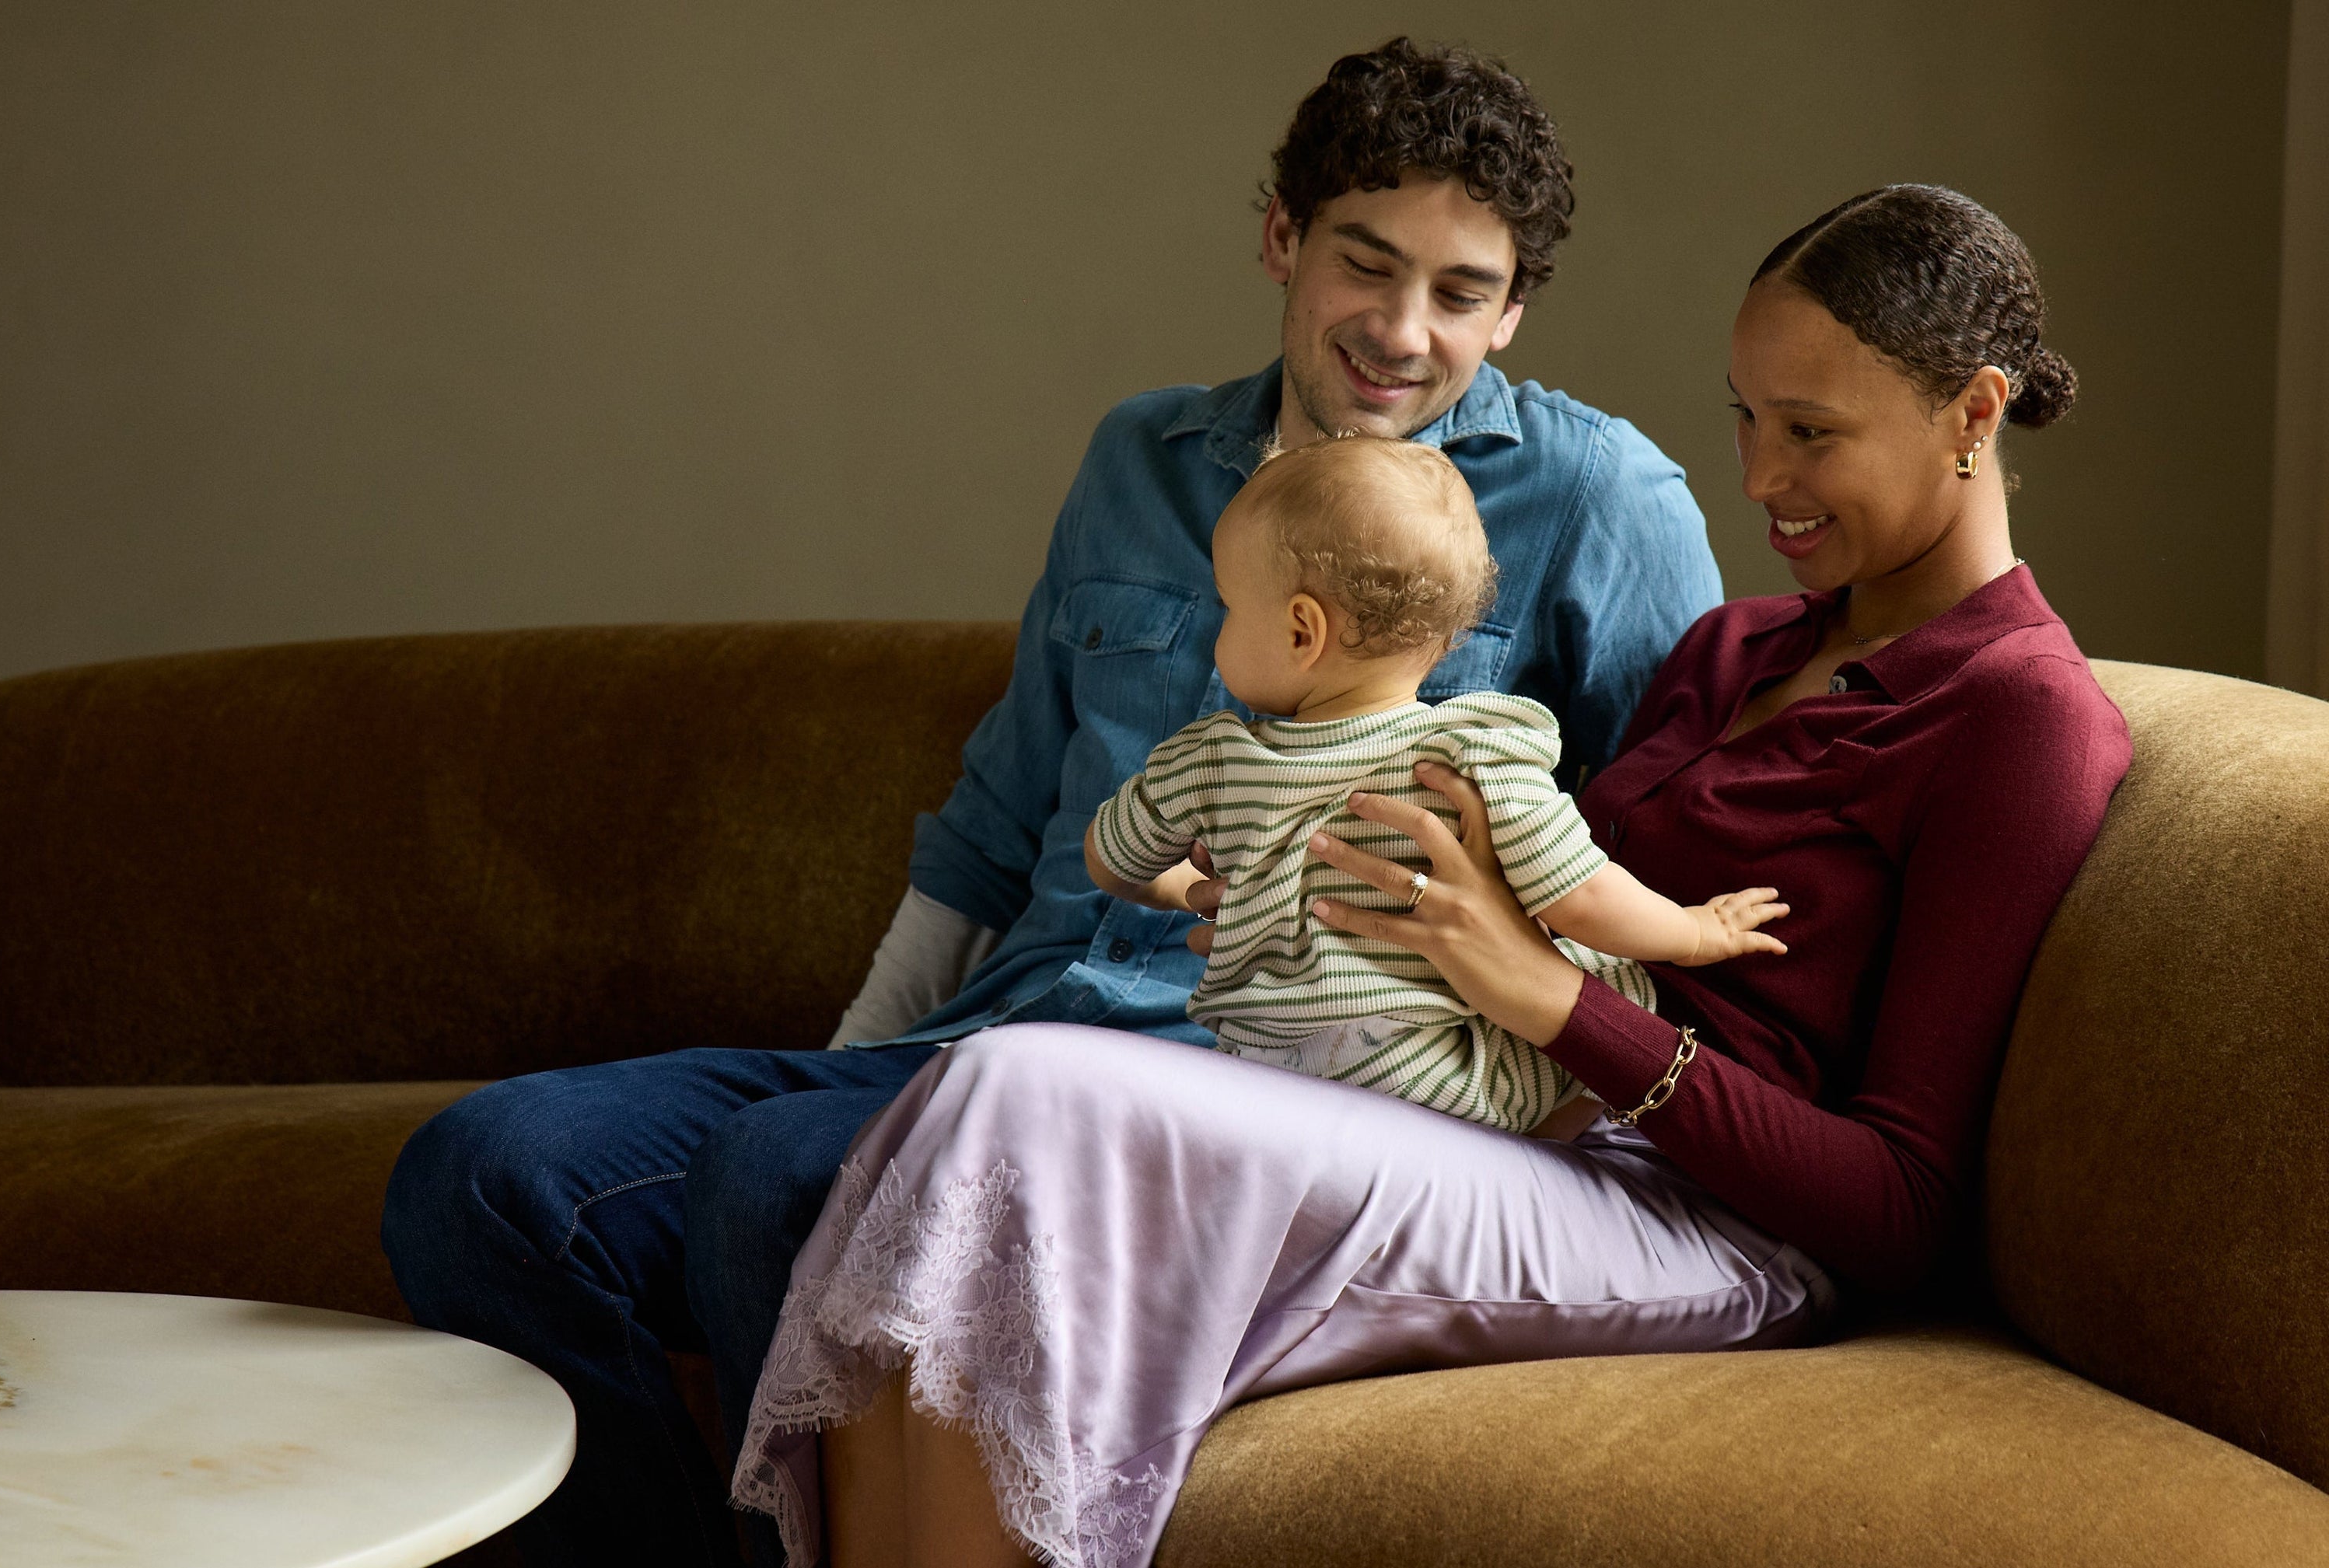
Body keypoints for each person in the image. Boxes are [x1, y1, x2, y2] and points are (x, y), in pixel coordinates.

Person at [379, 37, 1721, 1568]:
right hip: (985, 1040)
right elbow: (1001, 811)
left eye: (1461, 292)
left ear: (1513, 307)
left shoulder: (1599, 502)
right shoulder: (1140, 460)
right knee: (482, 1180)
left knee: (783, 1179)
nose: (1403, 332)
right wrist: (860, 1072)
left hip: (1247, 1090)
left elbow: (1671, 859)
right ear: (1281, 236)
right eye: (1365, 262)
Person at [729, 183, 2133, 1568]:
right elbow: (1547, 876)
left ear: (1973, 413)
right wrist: (1329, 891)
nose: (1759, 479)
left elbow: (1899, 1207)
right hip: (1524, 1125)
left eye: (1809, 432)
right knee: (981, 1091)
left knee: (1033, 1102)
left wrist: (1547, 1000)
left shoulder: (2019, 716)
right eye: (1746, 419)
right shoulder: (1734, 652)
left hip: (1711, 1223)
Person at [1084, 434, 1786, 1133]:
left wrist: (1208, 890)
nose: (1221, 628)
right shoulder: (1472, 755)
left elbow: (1110, 861)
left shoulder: (1210, 759)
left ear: (1302, 631)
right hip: (1422, 1087)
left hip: (1257, 1067)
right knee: (1619, 981)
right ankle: (1546, 1143)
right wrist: (1693, 931)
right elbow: (1583, 895)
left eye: (1229, 606)